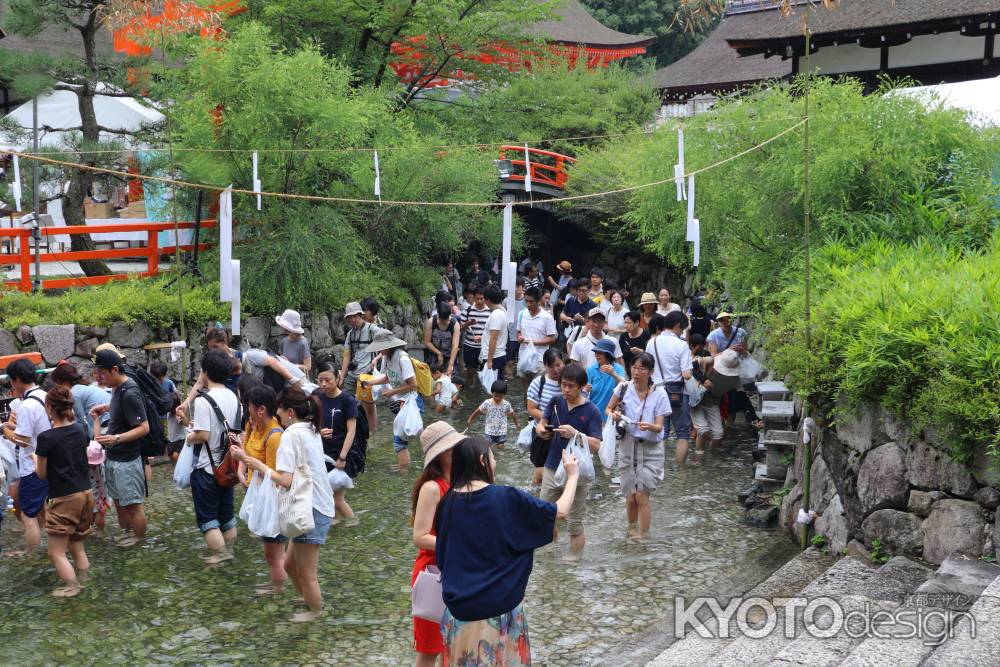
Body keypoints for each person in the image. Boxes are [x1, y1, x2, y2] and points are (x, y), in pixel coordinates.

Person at [435, 436, 580, 665]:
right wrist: (572, 475)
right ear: (483, 460)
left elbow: (443, 558)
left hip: (458, 617)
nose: (494, 463)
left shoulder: (447, 503)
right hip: (499, 614)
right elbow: (559, 511)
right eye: (492, 458)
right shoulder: (506, 497)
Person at [231, 387, 335, 623]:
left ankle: (316, 612)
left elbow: (285, 480)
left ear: (289, 411)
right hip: (318, 504)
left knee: (308, 574)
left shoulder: (290, 435)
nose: (276, 414)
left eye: (279, 409)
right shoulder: (311, 429)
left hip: (311, 509)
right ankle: (309, 599)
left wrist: (251, 463)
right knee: (288, 565)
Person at [179, 350, 241, 564]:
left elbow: (203, 434)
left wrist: (188, 438)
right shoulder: (234, 397)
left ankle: (220, 554)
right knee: (226, 516)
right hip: (228, 466)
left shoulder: (205, 400)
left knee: (208, 520)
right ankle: (230, 551)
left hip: (207, 468)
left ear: (205, 372)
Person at [410, 422, 462, 667]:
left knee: (454, 644)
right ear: (442, 454)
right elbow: (420, 537)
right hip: (433, 575)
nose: (460, 450)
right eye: (454, 447)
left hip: (457, 573)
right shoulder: (432, 488)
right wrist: (461, 543)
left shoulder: (460, 483)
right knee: (430, 649)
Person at [535, 363, 601, 555]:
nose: (566, 389)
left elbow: (596, 445)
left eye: (571, 386)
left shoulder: (592, 411)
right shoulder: (556, 401)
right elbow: (543, 422)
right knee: (544, 514)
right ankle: (550, 547)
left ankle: (573, 560)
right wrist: (541, 431)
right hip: (552, 466)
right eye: (563, 384)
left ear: (581, 386)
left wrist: (576, 434)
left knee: (574, 521)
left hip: (577, 472)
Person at [34, 385, 93, 597]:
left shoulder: (46, 438)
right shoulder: (81, 430)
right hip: (86, 494)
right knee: (78, 546)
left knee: (55, 552)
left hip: (64, 499)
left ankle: (73, 587)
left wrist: (35, 458)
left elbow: (41, 474)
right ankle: (85, 582)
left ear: (49, 407)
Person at [606, 353, 671, 539]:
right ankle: (631, 529)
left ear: (650, 372)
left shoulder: (660, 394)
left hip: (651, 449)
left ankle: (644, 534)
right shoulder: (623, 388)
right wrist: (614, 415)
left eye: (642, 368)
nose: (636, 372)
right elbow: (608, 409)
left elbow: (659, 427)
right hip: (627, 445)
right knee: (630, 494)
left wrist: (650, 426)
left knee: (642, 495)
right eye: (634, 367)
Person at [90, 349, 149, 547]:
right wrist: (107, 408)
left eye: (101, 373)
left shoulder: (129, 391)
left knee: (133, 505)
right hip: (114, 457)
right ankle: (128, 533)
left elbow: (144, 428)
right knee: (118, 502)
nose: (98, 378)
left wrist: (116, 438)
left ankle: (139, 539)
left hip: (127, 459)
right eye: (96, 373)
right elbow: (124, 412)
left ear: (114, 369)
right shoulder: (116, 388)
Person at [238, 383, 287, 595]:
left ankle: (279, 590)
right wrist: (241, 471)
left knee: (274, 553)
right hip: (257, 495)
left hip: (273, 500)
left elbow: (276, 477)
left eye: (249, 405)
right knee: (270, 551)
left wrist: (245, 462)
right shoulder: (252, 425)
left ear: (261, 409)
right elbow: (246, 450)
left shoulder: (274, 436)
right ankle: (280, 585)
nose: (246, 409)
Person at [1, 359, 49, 555]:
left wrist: (6, 432)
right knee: (43, 509)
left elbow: (23, 440)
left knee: (29, 516)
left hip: (33, 465)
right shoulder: (44, 395)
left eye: (12, 381)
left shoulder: (27, 404)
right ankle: (50, 543)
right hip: (48, 461)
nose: (12, 385)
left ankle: (30, 554)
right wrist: (14, 428)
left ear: (18, 379)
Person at [362, 330, 423, 470]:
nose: (378, 349)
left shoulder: (403, 359)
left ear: (388, 346)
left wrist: (392, 392)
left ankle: (404, 473)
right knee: (412, 436)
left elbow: (413, 384)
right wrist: (370, 383)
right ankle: (408, 466)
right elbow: (387, 377)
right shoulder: (386, 357)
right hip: (401, 402)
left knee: (400, 441)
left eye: (380, 346)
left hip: (412, 400)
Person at [316, 362, 364, 527]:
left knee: (337, 499)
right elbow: (313, 423)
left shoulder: (347, 400)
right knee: (327, 496)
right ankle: (334, 523)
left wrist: (343, 457)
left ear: (337, 378)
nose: (323, 384)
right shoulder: (317, 398)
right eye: (320, 379)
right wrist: (319, 432)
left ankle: (354, 525)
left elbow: (352, 431)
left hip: (341, 454)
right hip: (323, 454)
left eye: (328, 380)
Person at [646, 312, 694, 466]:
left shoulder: (651, 343)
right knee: (682, 433)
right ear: (677, 326)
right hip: (677, 393)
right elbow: (687, 375)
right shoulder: (681, 345)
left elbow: (647, 368)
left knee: (661, 431)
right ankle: (680, 471)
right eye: (682, 329)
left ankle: (660, 469)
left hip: (656, 391)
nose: (682, 332)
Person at [526, 349, 564, 493]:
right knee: (540, 471)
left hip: (563, 434)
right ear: (545, 366)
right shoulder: (538, 383)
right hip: (543, 433)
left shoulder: (568, 382)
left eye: (558, 365)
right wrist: (548, 419)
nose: (555, 369)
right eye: (551, 366)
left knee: (560, 470)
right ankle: (534, 496)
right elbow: (531, 409)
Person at [341, 301, 382, 436]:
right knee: (345, 400)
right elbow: (346, 356)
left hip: (367, 374)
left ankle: (372, 433)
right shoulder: (350, 334)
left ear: (361, 315)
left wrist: (377, 358)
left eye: (355, 316)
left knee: (368, 405)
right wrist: (342, 376)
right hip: (352, 374)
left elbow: (389, 344)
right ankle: (348, 431)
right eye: (350, 317)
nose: (353, 319)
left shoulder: (372, 330)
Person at [691, 349, 743, 451]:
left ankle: (711, 456)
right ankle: (699, 455)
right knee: (703, 430)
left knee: (718, 434)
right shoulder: (710, 360)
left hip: (713, 401)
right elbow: (688, 367)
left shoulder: (736, 377)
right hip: (697, 399)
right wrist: (703, 379)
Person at [467, 380, 519, 448]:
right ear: (492, 393)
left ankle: (498, 457)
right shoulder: (487, 403)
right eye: (495, 396)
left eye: (500, 396)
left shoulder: (506, 404)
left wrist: (517, 424)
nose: (497, 398)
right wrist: (470, 418)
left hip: (502, 431)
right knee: (487, 447)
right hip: (489, 431)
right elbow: (478, 411)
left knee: (500, 447)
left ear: (504, 395)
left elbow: (513, 414)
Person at [516, 286, 557, 370]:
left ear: (538, 301)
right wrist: (519, 337)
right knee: (525, 382)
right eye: (526, 301)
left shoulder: (547, 317)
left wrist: (532, 342)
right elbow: (518, 331)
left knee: (538, 382)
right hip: (524, 356)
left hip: (540, 358)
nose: (528, 304)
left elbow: (552, 338)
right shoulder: (521, 314)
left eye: (531, 301)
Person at [585, 339, 625, 421]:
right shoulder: (591, 369)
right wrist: (585, 389)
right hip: (593, 416)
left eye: (600, 353)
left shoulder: (618, 369)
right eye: (595, 352)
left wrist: (613, 373)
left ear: (608, 354)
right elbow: (583, 391)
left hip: (611, 417)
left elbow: (625, 386)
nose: (597, 355)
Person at [459, 283, 491, 381]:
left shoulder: (490, 312)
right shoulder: (467, 311)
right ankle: (471, 389)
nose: (479, 301)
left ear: (485, 298)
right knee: (470, 371)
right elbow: (460, 329)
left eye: (482, 298)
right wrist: (467, 324)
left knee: (485, 372)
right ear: (473, 297)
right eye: (477, 298)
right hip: (470, 345)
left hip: (485, 346)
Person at [479, 285, 509, 380]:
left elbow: (494, 338)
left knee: (495, 390)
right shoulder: (501, 311)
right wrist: (482, 338)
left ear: (487, 300)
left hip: (495, 357)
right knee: (495, 389)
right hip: (496, 356)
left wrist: (489, 360)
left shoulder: (496, 314)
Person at [424, 303, 460, 378]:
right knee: (432, 378)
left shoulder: (455, 324)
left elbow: (455, 346)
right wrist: (439, 353)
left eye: (446, 320)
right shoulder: (431, 322)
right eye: (443, 320)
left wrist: (451, 365)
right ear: (438, 315)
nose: (445, 322)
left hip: (450, 356)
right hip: (434, 354)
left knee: (449, 378)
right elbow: (427, 341)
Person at [205, 325, 243, 392]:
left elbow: (248, 381)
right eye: (210, 347)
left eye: (215, 346)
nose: (212, 350)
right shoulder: (210, 360)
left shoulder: (240, 356)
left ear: (224, 342)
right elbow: (200, 382)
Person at [559, 279, 598, 344]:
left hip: (585, 335)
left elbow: (595, 324)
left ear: (589, 291)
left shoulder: (593, 305)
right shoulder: (571, 300)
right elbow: (561, 315)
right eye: (579, 290)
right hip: (569, 332)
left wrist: (583, 320)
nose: (581, 293)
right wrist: (567, 318)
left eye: (584, 291)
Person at [276, 309, 312, 375]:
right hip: (284, 378)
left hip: (298, 380)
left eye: (286, 329)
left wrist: (290, 365)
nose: (283, 331)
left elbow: (308, 367)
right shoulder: (284, 341)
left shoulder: (302, 343)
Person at [619, 311, 651, 378]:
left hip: (644, 374)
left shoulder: (647, 335)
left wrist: (641, 352)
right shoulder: (623, 337)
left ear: (637, 323)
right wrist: (623, 372)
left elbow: (651, 355)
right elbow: (621, 357)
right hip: (628, 374)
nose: (626, 325)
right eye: (625, 323)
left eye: (629, 323)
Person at [506, 279, 527, 367]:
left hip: (524, 335)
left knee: (522, 360)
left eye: (517, 286)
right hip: (510, 335)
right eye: (513, 287)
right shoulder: (506, 301)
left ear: (523, 287)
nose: (515, 289)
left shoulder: (527, 301)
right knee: (509, 360)